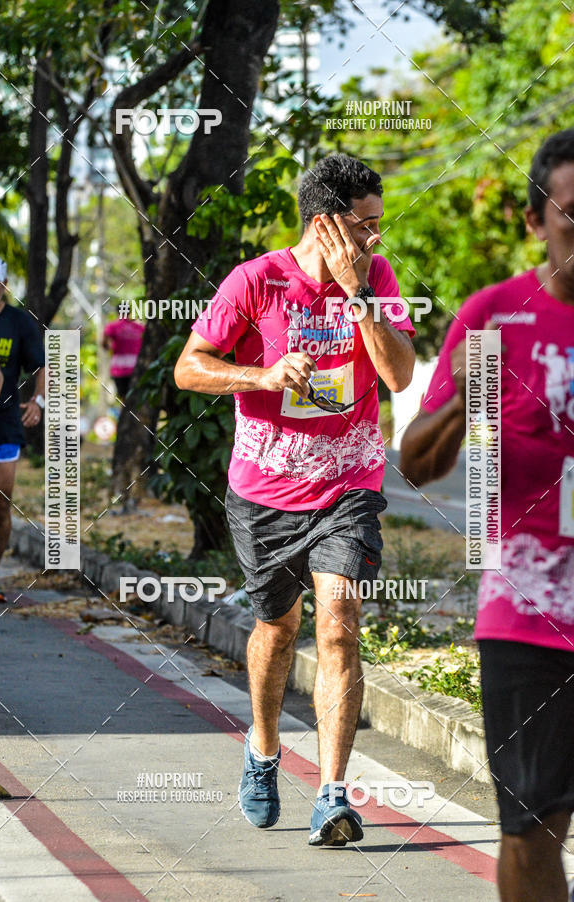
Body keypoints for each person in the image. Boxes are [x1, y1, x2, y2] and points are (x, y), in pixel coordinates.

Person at [175, 154, 415, 846]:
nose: (377, 237)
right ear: (326, 221)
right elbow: (191, 366)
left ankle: (334, 794)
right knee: (278, 631)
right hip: (265, 492)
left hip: (349, 484)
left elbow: (399, 376)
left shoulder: (377, 278)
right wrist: (263, 372)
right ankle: (264, 748)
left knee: (339, 621)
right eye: (366, 225)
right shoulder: (256, 281)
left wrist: (358, 290)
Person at [399, 129, 574, 902]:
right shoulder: (494, 314)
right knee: (531, 826)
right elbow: (417, 462)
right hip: (528, 615)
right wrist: (467, 399)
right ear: (537, 221)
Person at [0, 254, 45, 603]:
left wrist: (38, 402)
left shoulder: (19, 322)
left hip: (4, 424)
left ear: (4, 286)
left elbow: (40, 366)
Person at [102, 312, 144, 402]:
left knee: (123, 397)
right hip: (136, 365)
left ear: (117, 312)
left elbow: (105, 345)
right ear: (129, 312)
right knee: (136, 396)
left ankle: (126, 413)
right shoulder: (138, 327)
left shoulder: (112, 326)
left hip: (119, 367)